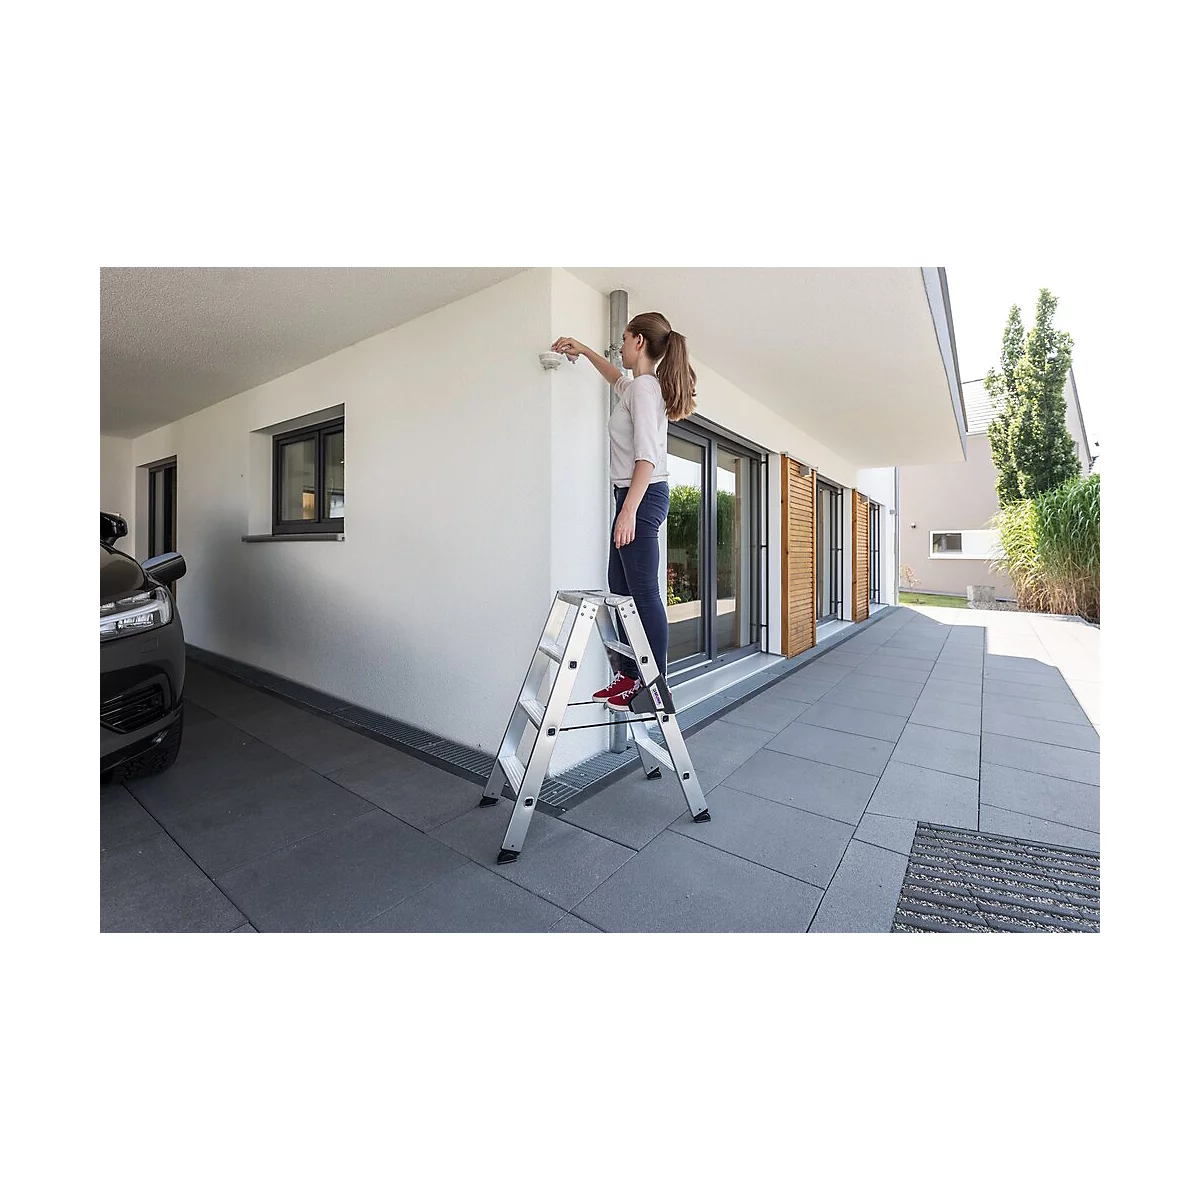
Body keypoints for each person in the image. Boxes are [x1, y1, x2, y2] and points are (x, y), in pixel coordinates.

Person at [551, 312, 697, 711]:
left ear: (638, 342)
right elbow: (616, 379)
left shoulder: (647, 390)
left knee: (644, 592)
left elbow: (647, 458)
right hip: (633, 496)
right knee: (619, 585)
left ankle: (656, 684)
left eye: (623, 339)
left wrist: (628, 510)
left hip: (642, 496)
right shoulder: (637, 388)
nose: (619, 346)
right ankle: (631, 675)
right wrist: (583, 350)